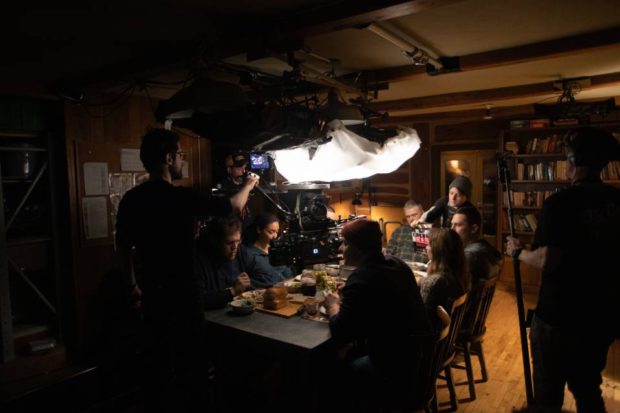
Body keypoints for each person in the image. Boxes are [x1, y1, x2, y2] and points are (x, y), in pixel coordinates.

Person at [115, 128, 258, 411]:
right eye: (180, 155)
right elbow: (234, 205)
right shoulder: (181, 197)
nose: (182, 160)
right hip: (184, 294)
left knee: (158, 367)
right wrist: (249, 185)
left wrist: (132, 285)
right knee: (192, 368)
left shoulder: (131, 199)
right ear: (168, 158)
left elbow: (122, 248)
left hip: (152, 293)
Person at [506, 127, 620, 413]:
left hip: (559, 317)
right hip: (600, 315)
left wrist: (518, 252)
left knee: (547, 396)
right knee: (588, 389)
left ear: (572, 161)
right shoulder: (618, 202)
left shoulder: (560, 203)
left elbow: (548, 260)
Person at [323, 219, 433, 411]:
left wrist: (333, 305)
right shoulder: (397, 264)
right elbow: (379, 301)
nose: (341, 249)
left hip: (392, 369)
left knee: (328, 366)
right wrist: (351, 293)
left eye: (346, 243)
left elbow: (340, 332)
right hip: (417, 358)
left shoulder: (362, 277)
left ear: (359, 248)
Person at [196, 215, 282, 309]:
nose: (235, 247)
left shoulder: (241, 251)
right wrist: (232, 291)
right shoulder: (199, 260)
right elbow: (199, 299)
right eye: (229, 243)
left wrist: (244, 286)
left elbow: (271, 276)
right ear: (215, 241)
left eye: (238, 241)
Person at [450, 206, 502, 331]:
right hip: (476, 320)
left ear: (474, 228)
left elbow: (451, 288)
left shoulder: (471, 256)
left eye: (457, 225)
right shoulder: (486, 249)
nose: (451, 230)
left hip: (461, 321)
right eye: (451, 224)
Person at [419, 227, 470, 329]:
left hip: (426, 341)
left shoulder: (435, 282)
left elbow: (421, 321)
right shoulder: (461, 275)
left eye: (429, 244)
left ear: (438, 250)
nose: (426, 247)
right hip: (446, 336)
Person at [242, 212, 293, 284]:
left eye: (277, 232)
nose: (275, 236)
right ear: (259, 230)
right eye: (271, 232)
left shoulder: (278, 250)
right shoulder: (249, 253)